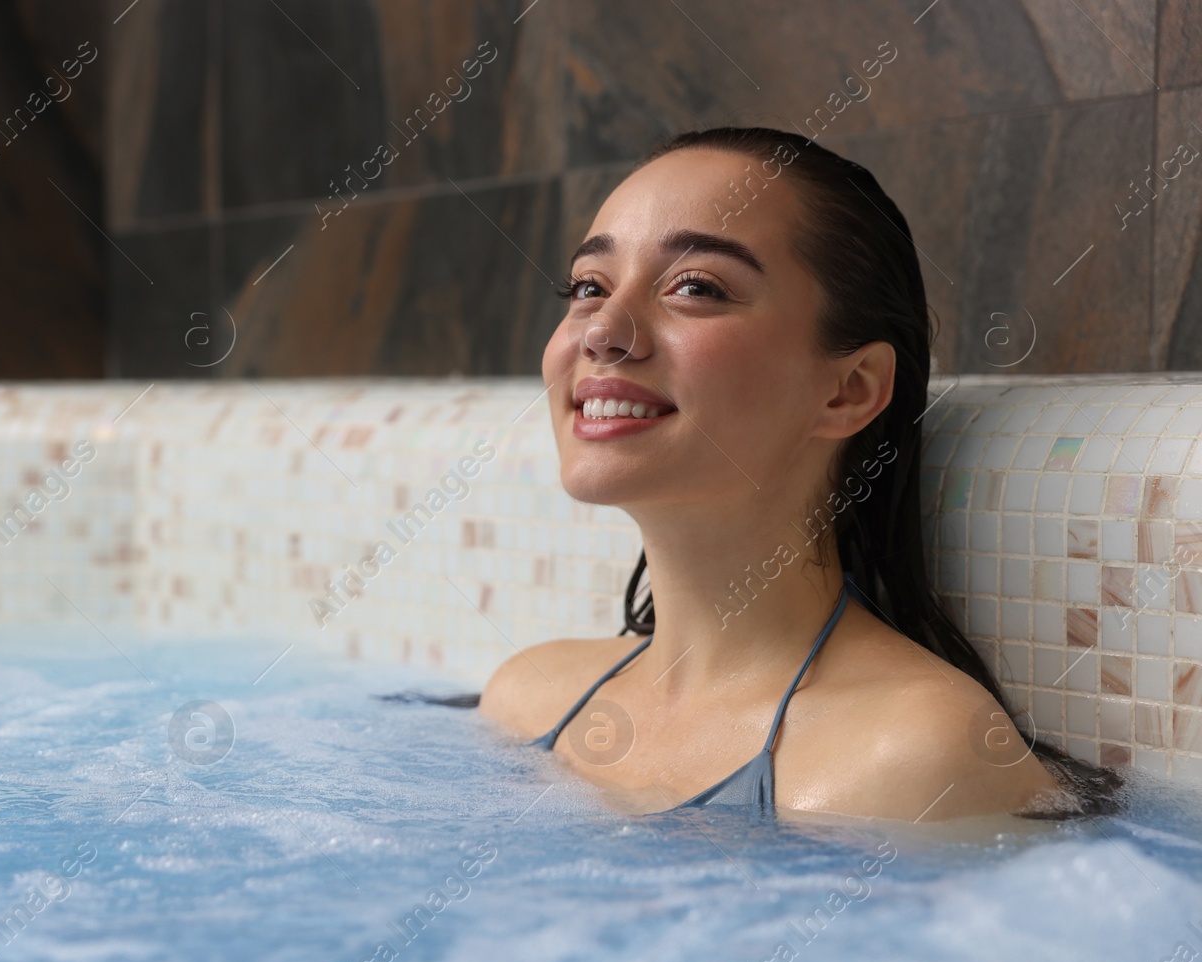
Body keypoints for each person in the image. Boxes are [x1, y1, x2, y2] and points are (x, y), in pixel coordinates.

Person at [479, 127, 1118, 822]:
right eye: (587, 286)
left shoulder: (916, 760)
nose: (603, 329)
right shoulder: (527, 701)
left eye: (696, 285)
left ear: (848, 390)